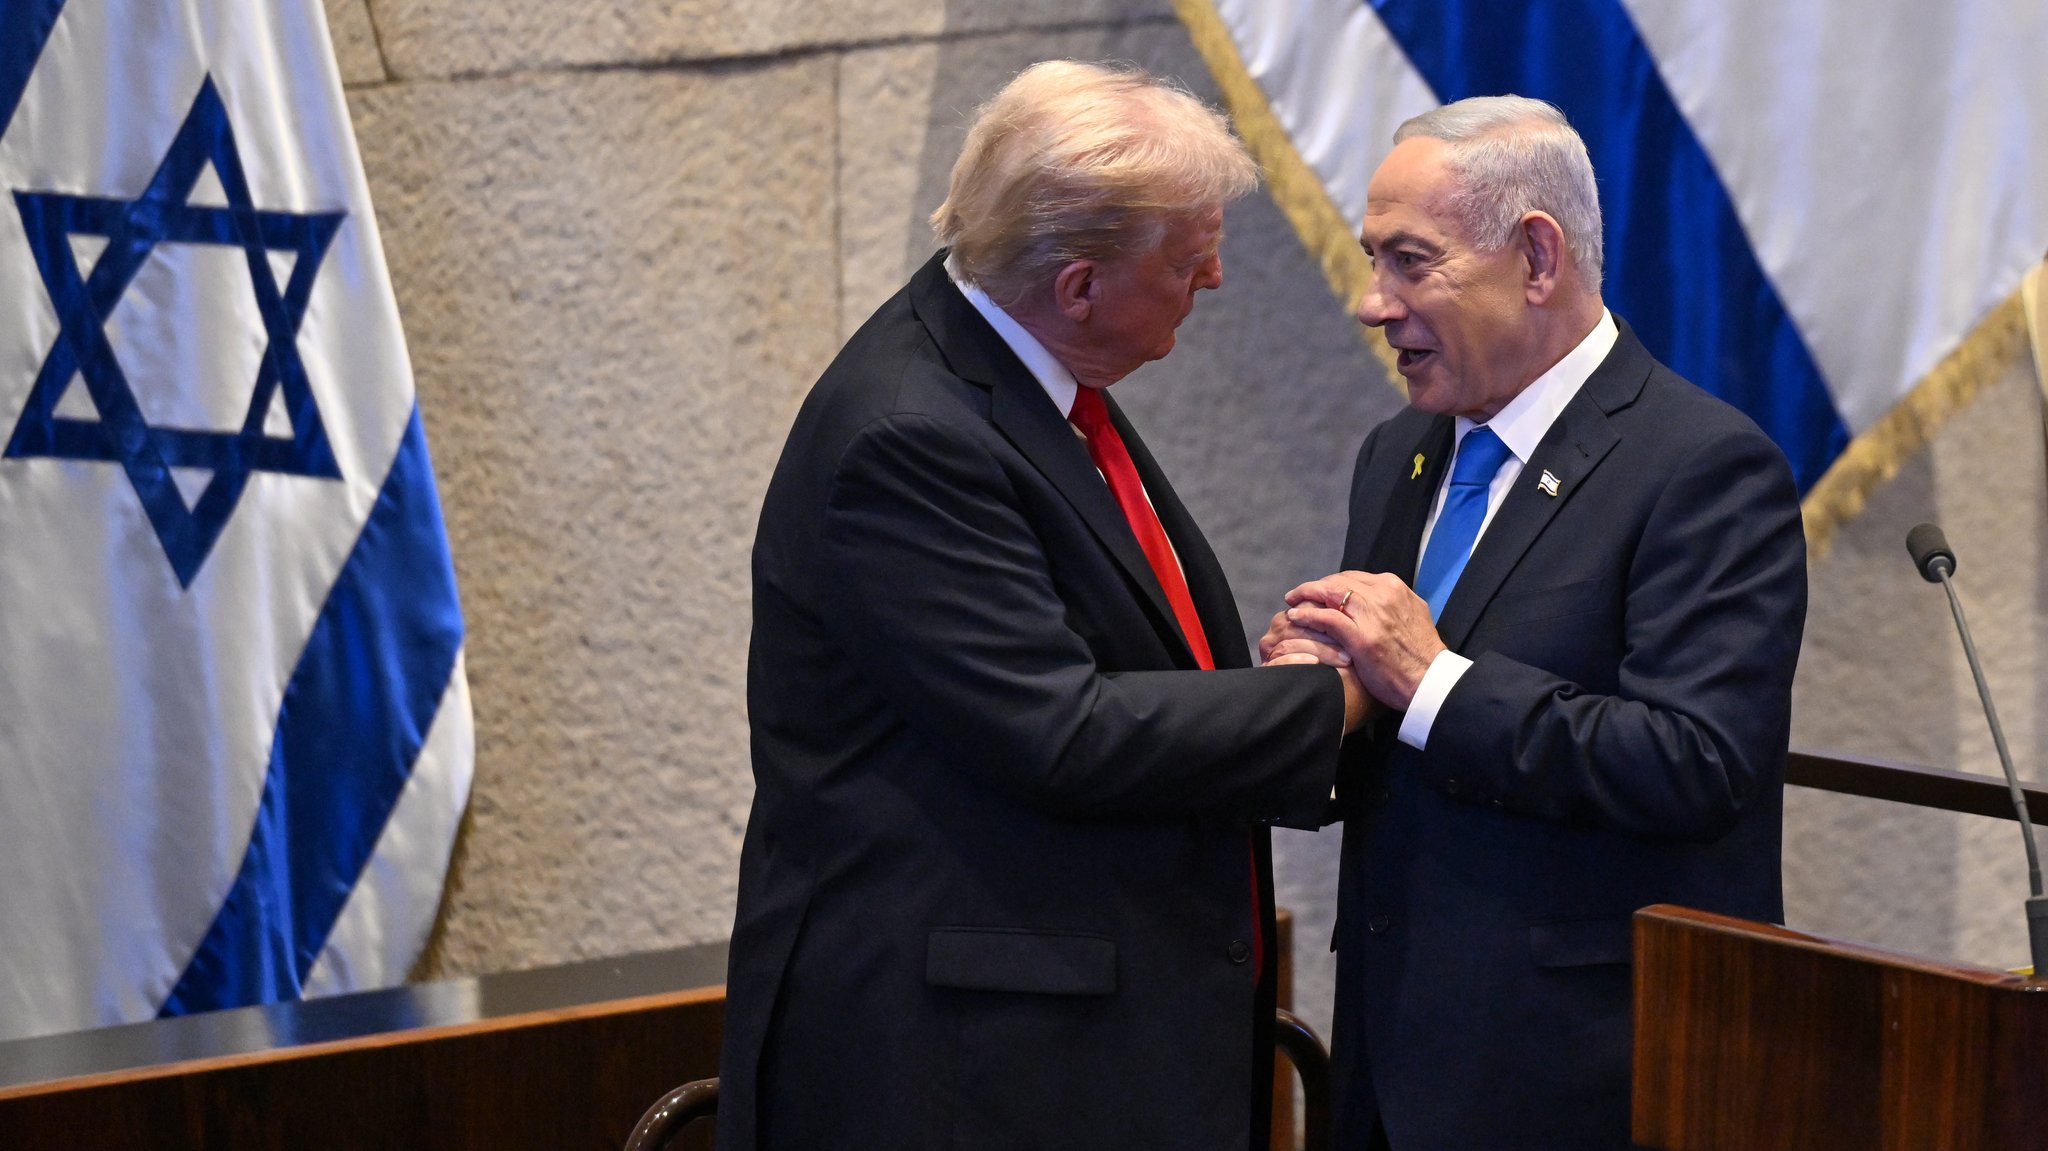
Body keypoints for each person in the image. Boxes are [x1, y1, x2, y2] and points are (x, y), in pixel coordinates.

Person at [721, 60, 1366, 1151]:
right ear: (1077, 285)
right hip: (964, 1076)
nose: (1212, 275)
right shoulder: (905, 436)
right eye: (1186, 255)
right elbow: (1060, 730)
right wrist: (1331, 697)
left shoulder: (1023, 374)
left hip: (1067, 1045)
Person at [1262, 96, 1807, 1150]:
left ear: (1536, 257)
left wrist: (1426, 682)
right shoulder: (1399, 451)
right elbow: (1400, 745)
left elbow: (1694, 762)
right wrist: (1321, 699)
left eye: (1408, 262)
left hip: (1582, 1078)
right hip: (1389, 1054)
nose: (1372, 304)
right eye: (1371, 259)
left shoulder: (1699, 466)